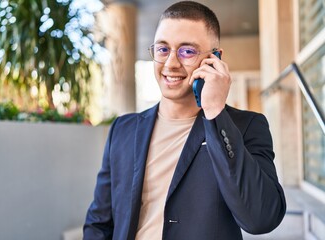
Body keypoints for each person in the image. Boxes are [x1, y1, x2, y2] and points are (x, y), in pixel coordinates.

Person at [83, 1, 286, 239]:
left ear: (215, 59)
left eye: (187, 51)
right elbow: (99, 222)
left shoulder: (246, 127)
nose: (171, 63)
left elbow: (261, 218)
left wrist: (215, 112)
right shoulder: (122, 129)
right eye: (162, 49)